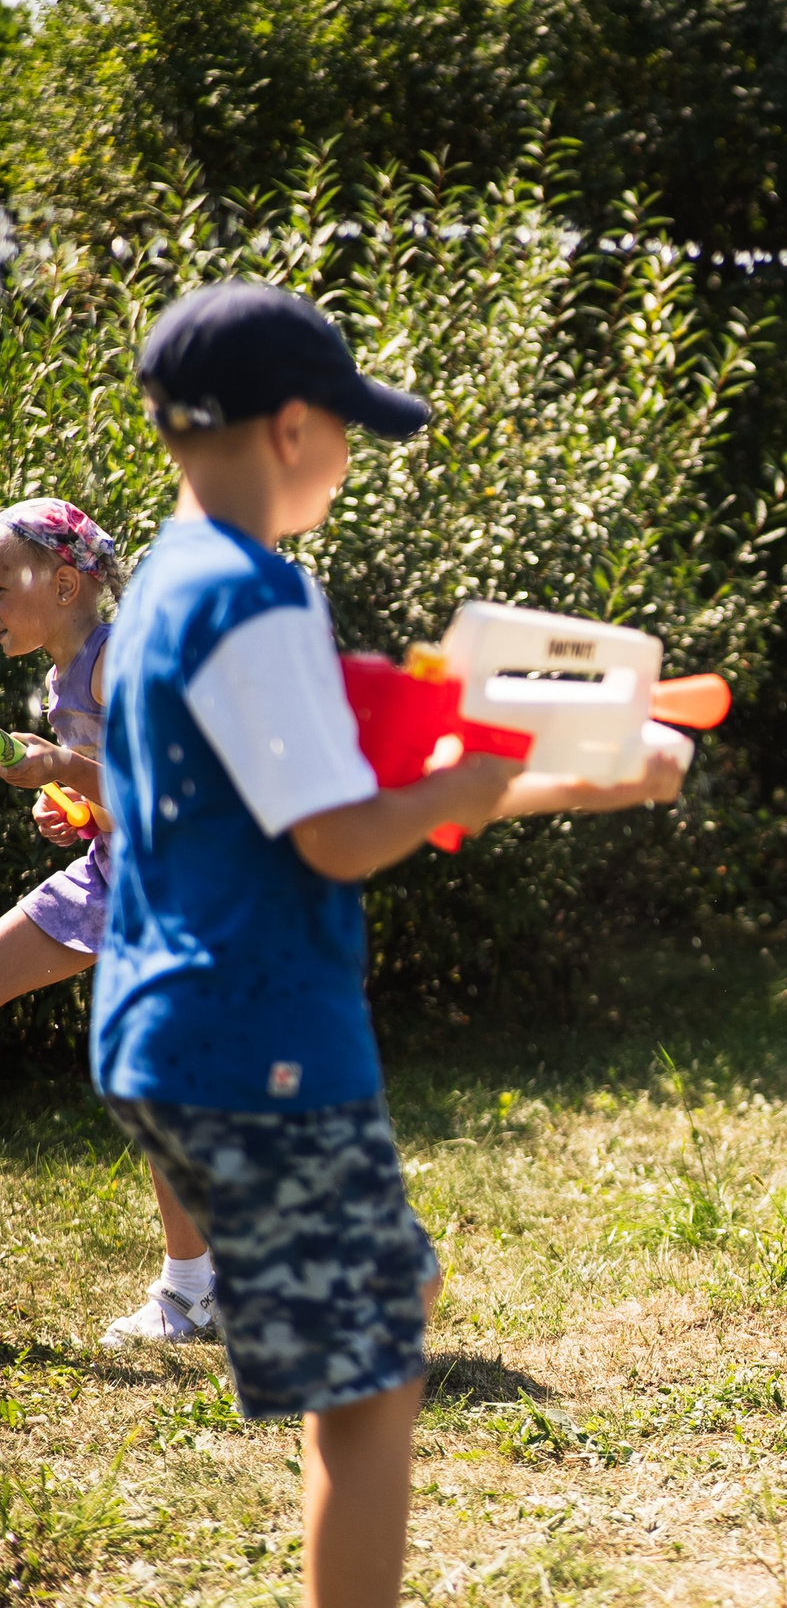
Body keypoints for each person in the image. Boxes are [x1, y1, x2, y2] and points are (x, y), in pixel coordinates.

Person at [92, 281, 685, 1608]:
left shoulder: (165, 586)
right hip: (262, 1038)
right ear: (293, 427)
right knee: (368, 1387)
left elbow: (306, 793)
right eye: (349, 430)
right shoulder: (257, 595)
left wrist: (567, 780)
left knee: (390, 1291)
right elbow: (341, 837)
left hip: (162, 1026)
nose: (348, 457)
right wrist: (479, 775)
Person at [0, 499, 220, 1349]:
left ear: (63, 584)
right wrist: (71, 809)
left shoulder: (117, 661)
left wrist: (63, 765)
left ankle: (194, 1290)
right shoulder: (63, 676)